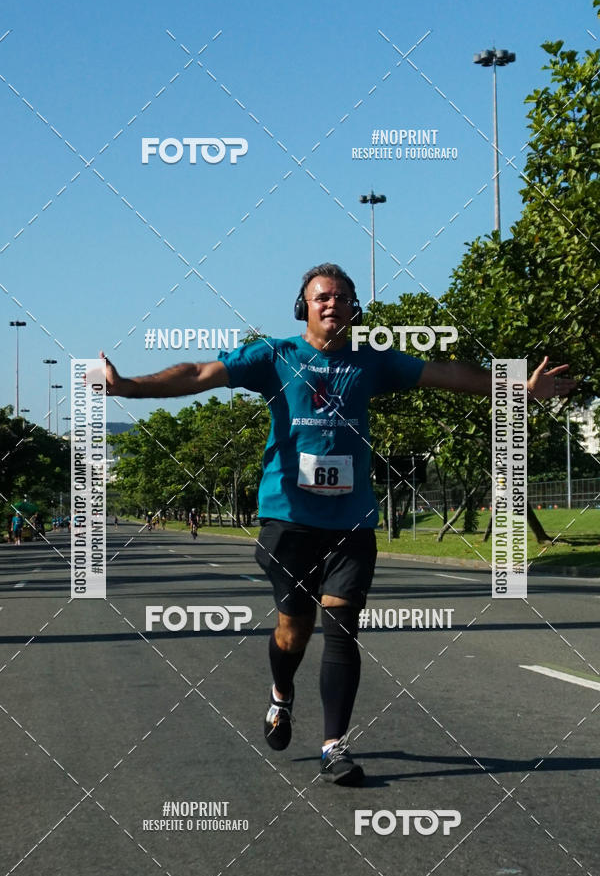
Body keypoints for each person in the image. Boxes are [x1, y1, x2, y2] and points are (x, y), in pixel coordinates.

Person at [100, 262, 576, 785]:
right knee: (293, 629)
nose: (332, 304)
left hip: (351, 521)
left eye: (342, 297)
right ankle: (281, 695)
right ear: (303, 307)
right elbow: (196, 374)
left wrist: (516, 388)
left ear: (354, 309)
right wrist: (127, 387)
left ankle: (334, 746)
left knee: (342, 628)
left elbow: (448, 374)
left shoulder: (371, 362)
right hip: (289, 519)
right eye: (321, 297)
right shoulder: (274, 356)